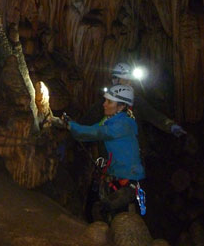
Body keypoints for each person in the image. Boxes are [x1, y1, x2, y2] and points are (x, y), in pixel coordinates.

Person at [56, 85, 145, 221]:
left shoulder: (123, 125)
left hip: (126, 182)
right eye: (105, 100)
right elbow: (90, 130)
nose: (104, 104)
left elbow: (96, 133)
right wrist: (70, 125)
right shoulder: (112, 122)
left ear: (121, 107)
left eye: (109, 102)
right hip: (114, 176)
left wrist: (71, 126)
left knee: (115, 219)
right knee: (95, 211)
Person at [110, 62, 187, 138]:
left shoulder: (136, 101)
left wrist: (170, 126)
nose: (130, 83)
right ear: (116, 81)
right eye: (126, 80)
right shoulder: (106, 103)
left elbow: (154, 115)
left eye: (131, 80)